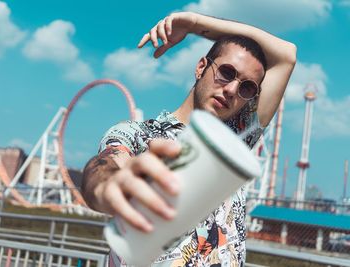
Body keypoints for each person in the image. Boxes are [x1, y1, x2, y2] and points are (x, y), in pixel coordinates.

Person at [82, 12, 296, 266]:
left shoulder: (237, 139)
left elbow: (286, 55)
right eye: (226, 72)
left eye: (246, 87)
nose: (231, 90)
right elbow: (106, 164)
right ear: (201, 67)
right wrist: (110, 187)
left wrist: (196, 24)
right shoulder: (140, 134)